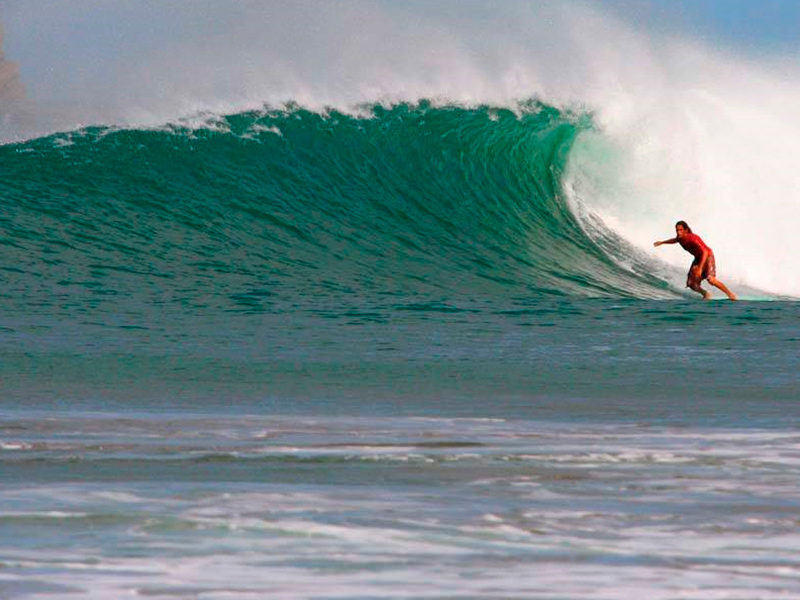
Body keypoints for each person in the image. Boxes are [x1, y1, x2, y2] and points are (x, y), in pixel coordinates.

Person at [654, 221, 737, 300]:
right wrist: (662, 242)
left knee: (711, 280)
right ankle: (705, 294)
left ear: (686, 230)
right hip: (698, 258)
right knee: (691, 284)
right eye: (677, 230)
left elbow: (705, 252)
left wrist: (700, 268)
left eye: (681, 230)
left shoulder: (693, 238)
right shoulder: (680, 238)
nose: (678, 232)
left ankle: (730, 294)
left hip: (707, 256)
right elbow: (674, 240)